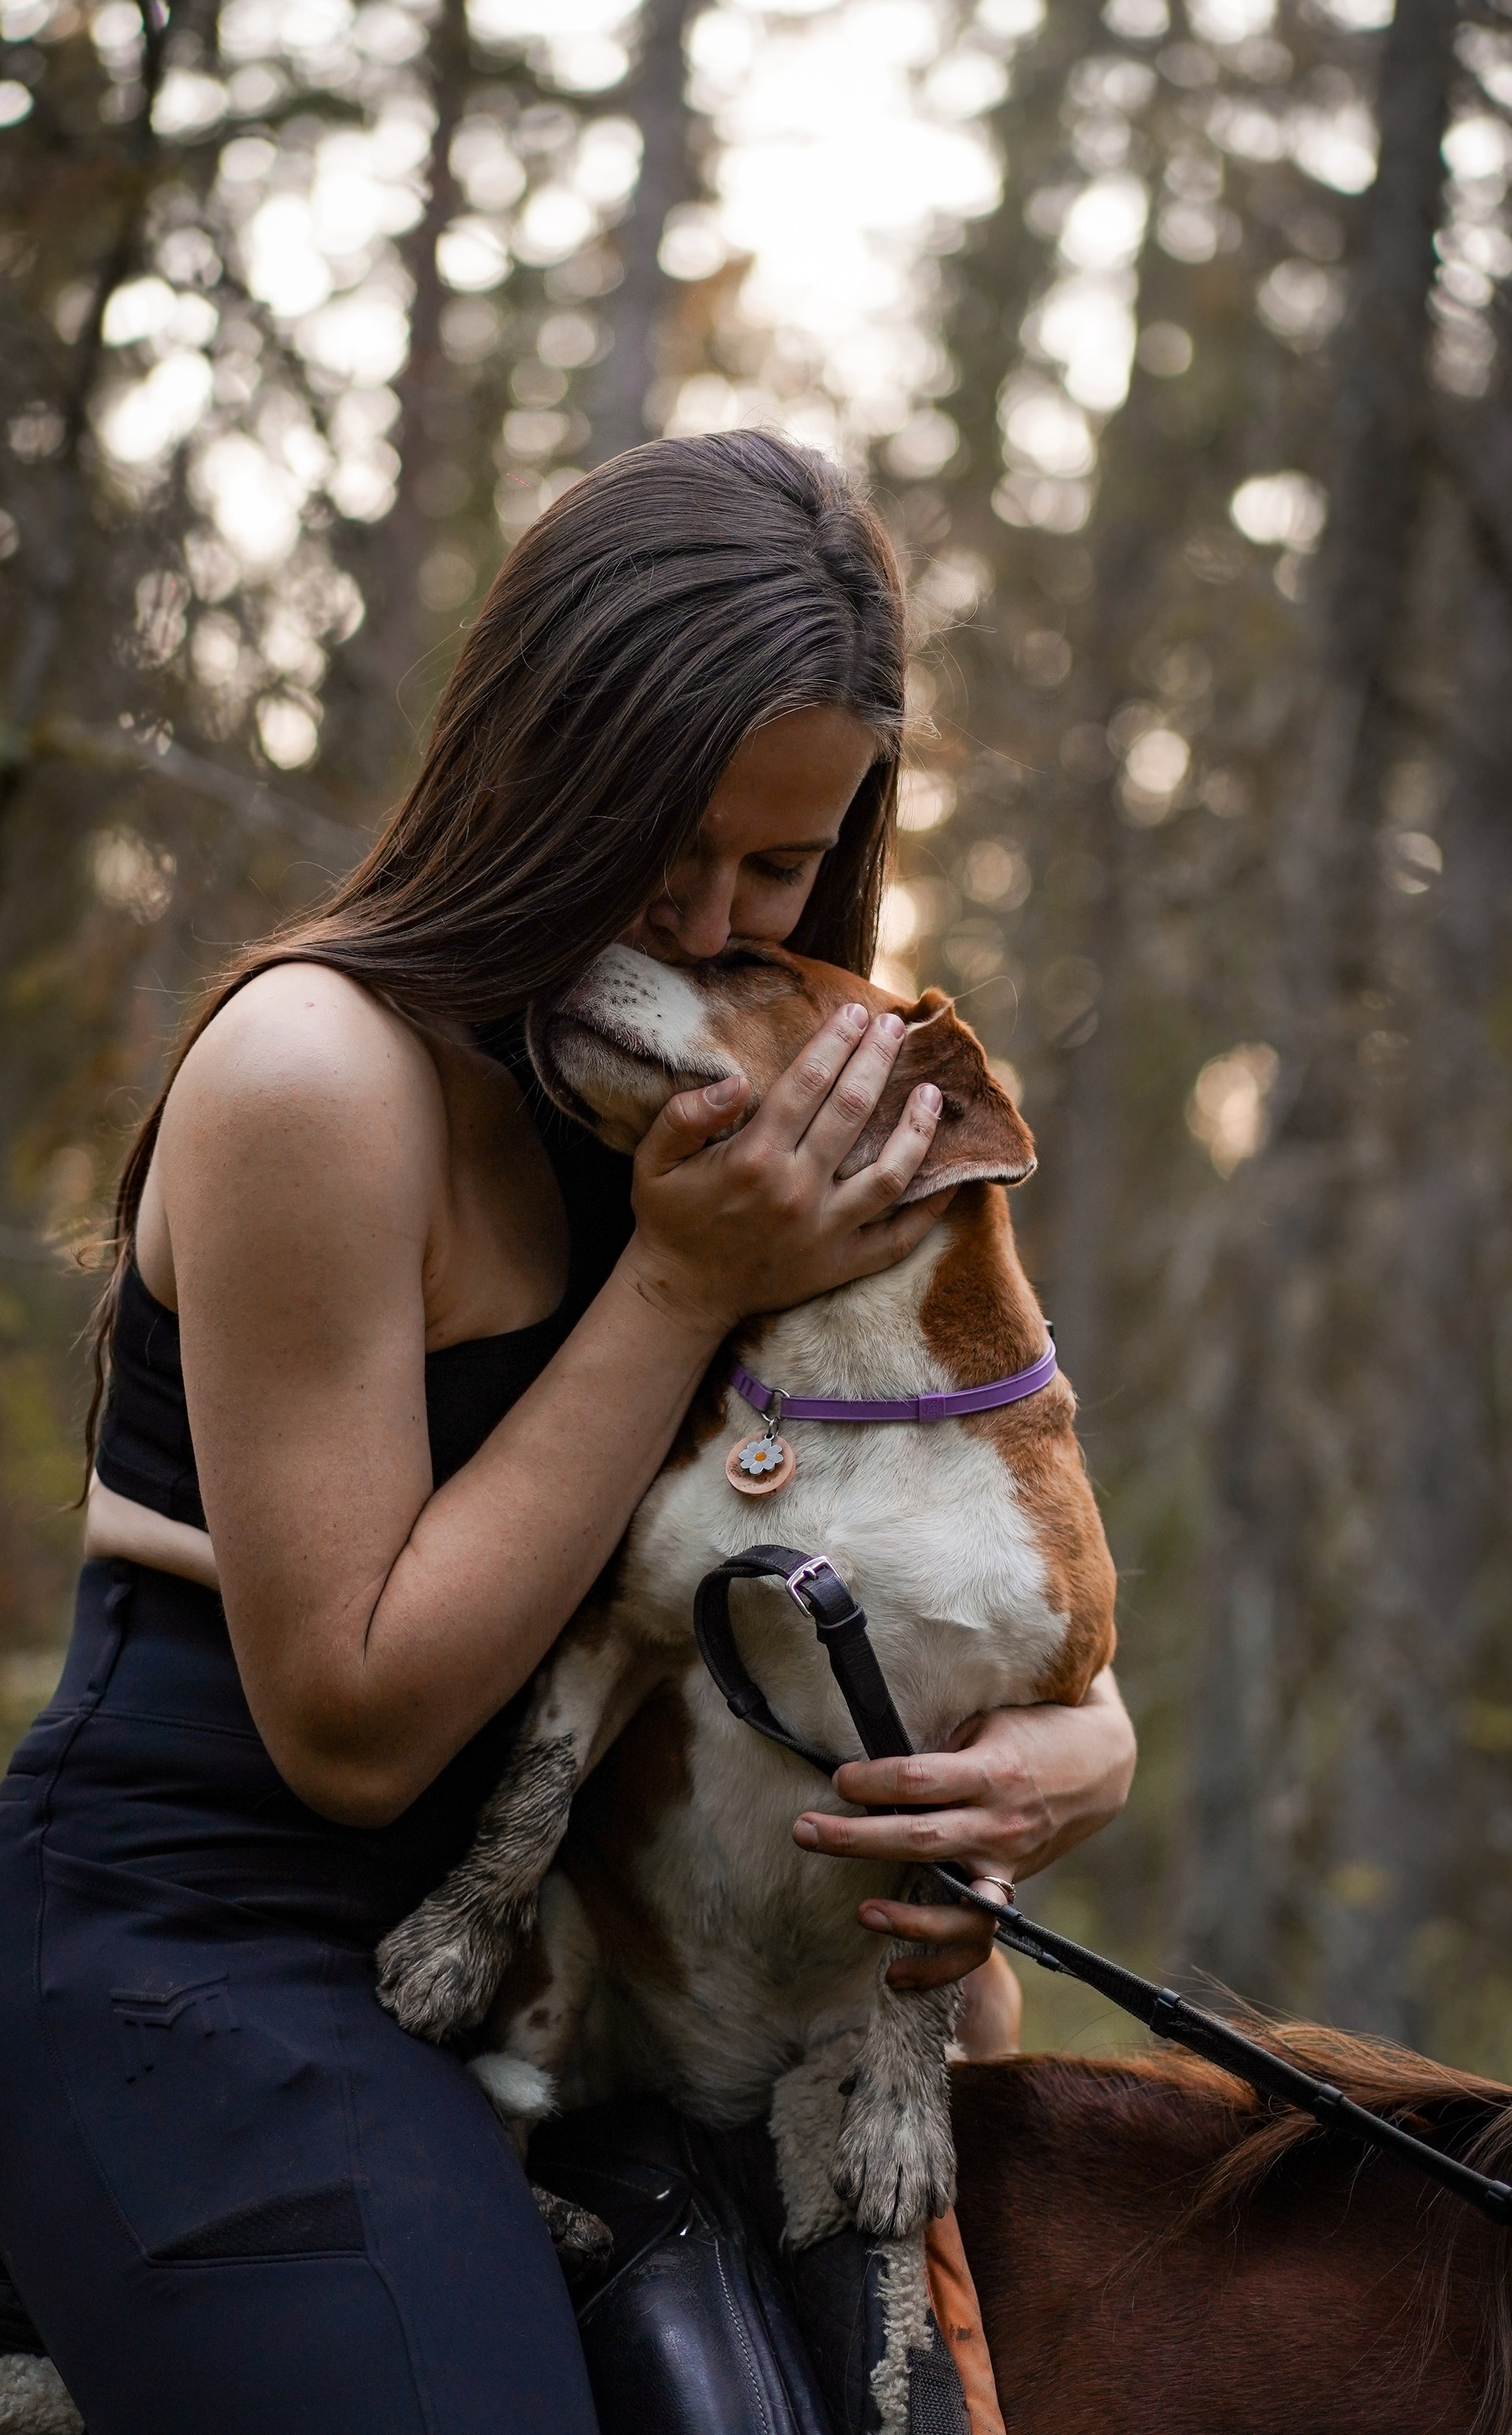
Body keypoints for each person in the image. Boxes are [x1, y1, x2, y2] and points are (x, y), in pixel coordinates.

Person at [0, 432, 1136, 2435]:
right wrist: (681, 1285)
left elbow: (938, 1490)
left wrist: (1074, 1745)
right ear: (527, 758)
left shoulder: (711, 1098)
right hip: (227, 1946)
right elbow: (352, 1732)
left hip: (607, 1953)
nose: (704, 920)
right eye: (662, 836)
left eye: (778, 867)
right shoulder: (315, 1076)